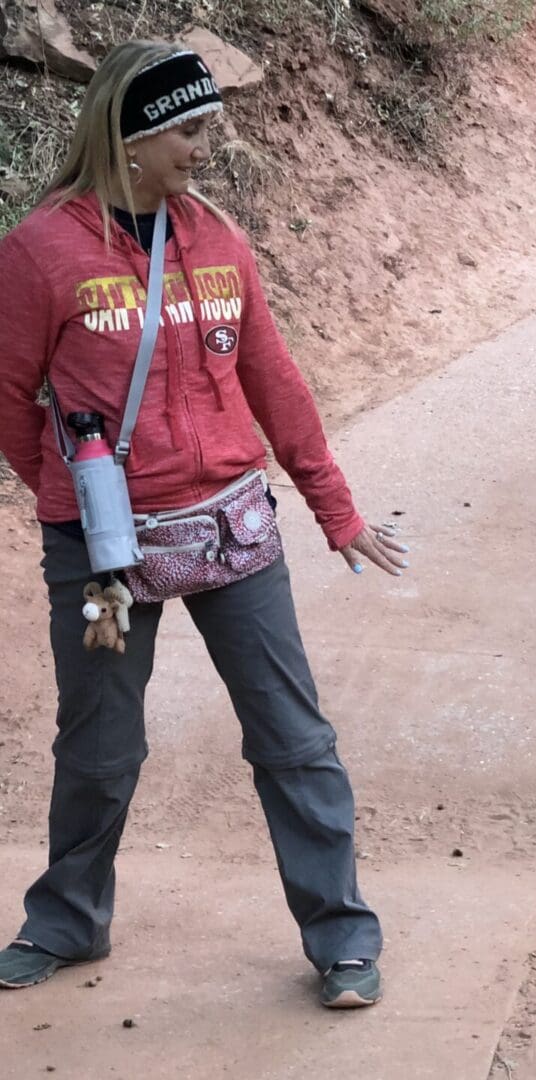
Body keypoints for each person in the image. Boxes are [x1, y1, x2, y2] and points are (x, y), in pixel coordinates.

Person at [0, 41, 408, 1008]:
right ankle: (66, 920)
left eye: (204, 129)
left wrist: (333, 509)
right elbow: (10, 399)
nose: (201, 149)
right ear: (132, 137)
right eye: (187, 130)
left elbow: (273, 379)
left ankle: (343, 938)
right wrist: (73, 494)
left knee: (293, 739)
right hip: (104, 553)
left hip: (233, 530)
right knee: (98, 752)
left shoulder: (217, 239)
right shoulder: (41, 253)